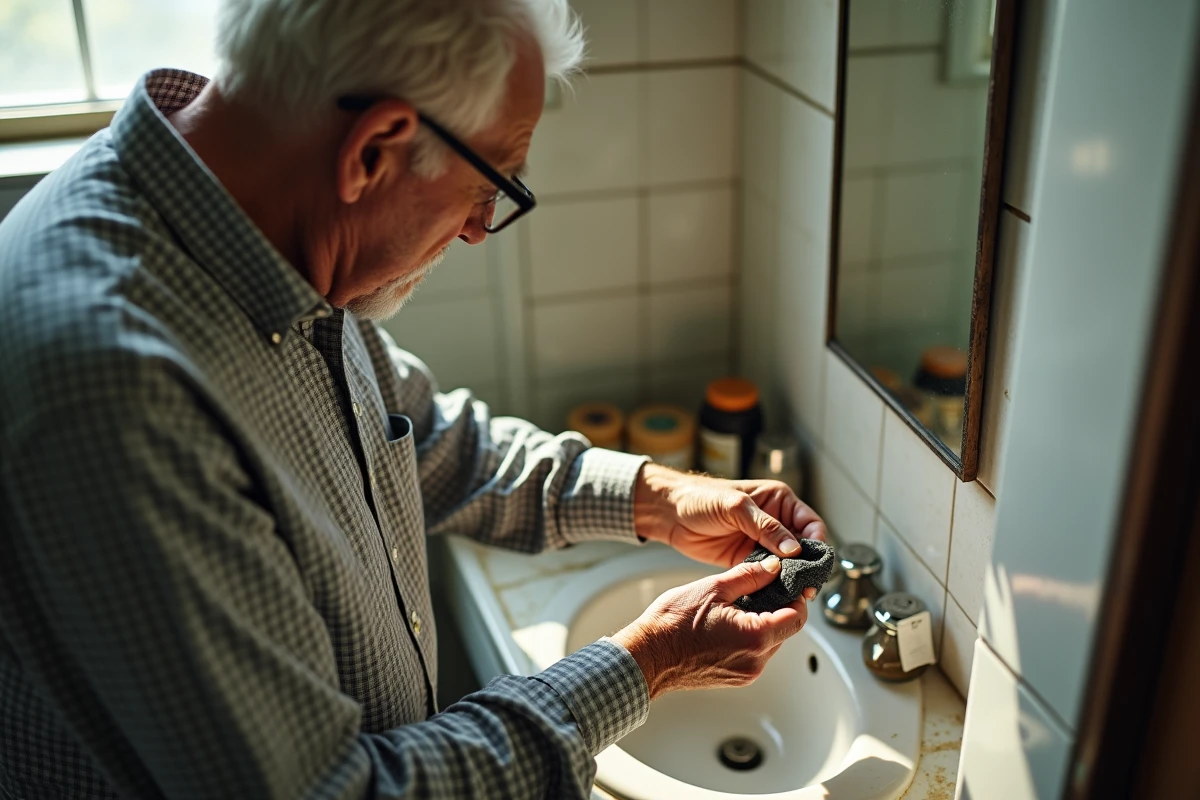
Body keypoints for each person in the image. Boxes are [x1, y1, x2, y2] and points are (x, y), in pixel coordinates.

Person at [0, 1, 827, 797]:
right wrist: (649, 663)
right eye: (492, 181)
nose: (479, 226)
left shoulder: (262, 225)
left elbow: (423, 436)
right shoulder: (119, 389)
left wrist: (658, 497)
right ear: (374, 151)